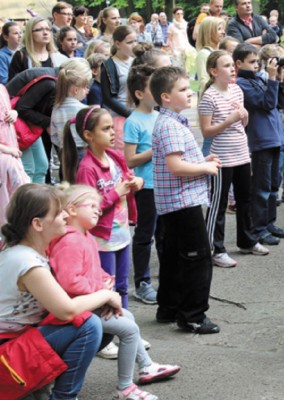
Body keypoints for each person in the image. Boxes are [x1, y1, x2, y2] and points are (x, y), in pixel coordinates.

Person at [48, 183, 180, 400]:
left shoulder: (85, 237)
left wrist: (104, 280)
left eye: (98, 207)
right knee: (127, 328)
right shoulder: (70, 241)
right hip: (74, 313)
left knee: (127, 316)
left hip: (88, 306)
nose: (97, 210)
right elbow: (69, 282)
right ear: (71, 210)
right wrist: (101, 290)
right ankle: (125, 387)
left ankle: (146, 365)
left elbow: (91, 271)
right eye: (91, 205)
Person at [0, 183, 118, 399]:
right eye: (58, 212)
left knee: (98, 319)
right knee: (89, 324)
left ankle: (37, 386)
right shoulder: (28, 263)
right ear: (37, 224)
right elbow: (66, 310)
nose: (65, 215)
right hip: (6, 355)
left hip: (17, 344)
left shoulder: (24, 251)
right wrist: (107, 294)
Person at [150, 66, 222, 334]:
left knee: (174, 257)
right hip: (182, 203)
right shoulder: (169, 126)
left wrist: (202, 160)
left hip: (177, 202)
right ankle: (192, 315)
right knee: (198, 259)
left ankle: (169, 306)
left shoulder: (174, 122)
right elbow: (175, 166)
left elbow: (180, 161)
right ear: (165, 96)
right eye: (182, 89)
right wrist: (205, 169)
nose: (189, 93)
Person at [62, 106, 143, 313]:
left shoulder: (114, 157)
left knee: (123, 286)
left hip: (122, 233)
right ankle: (107, 334)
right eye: (105, 129)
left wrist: (136, 182)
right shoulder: (87, 168)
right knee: (106, 287)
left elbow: (128, 179)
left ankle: (125, 326)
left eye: (111, 128)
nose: (113, 132)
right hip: (102, 240)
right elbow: (87, 208)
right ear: (89, 135)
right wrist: (117, 192)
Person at [199, 50, 268, 265]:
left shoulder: (237, 90)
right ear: (214, 71)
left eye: (232, 65)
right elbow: (206, 131)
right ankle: (214, 247)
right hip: (221, 157)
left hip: (241, 153)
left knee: (244, 199)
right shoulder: (209, 96)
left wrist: (244, 118)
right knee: (218, 203)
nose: (232, 69)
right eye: (227, 66)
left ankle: (247, 240)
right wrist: (230, 120)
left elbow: (241, 124)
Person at [235, 43, 284, 255]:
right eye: (252, 62)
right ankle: (258, 228)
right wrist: (272, 78)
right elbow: (267, 103)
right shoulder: (242, 84)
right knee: (262, 187)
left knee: (274, 184)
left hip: (275, 137)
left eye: (258, 61)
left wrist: (280, 79)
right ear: (239, 64)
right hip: (261, 140)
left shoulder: (259, 79)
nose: (257, 65)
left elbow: (279, 103)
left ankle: (269, 223)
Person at [123, 64, 160, 306]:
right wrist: (155, 150)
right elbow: (130, 159)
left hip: (166, 184)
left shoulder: (160, 116)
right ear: (139, 93)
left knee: (165, 233)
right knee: (145, 234)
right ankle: (142, 283)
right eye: (153, 87)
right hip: (146, 187)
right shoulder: (134, 121)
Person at [6, 67, 58, 184]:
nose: (87, 90)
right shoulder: (49, 83)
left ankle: (38, 199)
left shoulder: (53, 81)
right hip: (16, 123)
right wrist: (48, 122)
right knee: (28, 168)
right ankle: (27, 200)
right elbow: (22, 107)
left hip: (29, 125)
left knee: (41, 165)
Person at [50, 58, 91, 179]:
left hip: (65, 153)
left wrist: (62, 144)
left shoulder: (56, 108)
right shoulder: (84, 109)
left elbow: (54, 136)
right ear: (75, 89)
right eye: (85, 87)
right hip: (83, 152)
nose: (87, 91)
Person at [101, 25, 137, 150]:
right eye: (129, 42)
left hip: (140, 114)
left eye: (135, 41)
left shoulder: (137, 61)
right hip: (120, 118)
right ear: (117, 43)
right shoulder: (109, 65)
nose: (134, 45)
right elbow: (108, 98)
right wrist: (131, 114)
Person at [0, 84, 29, 226]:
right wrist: (6, 150)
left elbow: (9, 111)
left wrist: (14, 113)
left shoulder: (2, 89)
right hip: (5, 155)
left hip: (11, 152)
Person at [196, 17, 226, 93]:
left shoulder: (221, 51)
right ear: (209, 32)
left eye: (223, 29)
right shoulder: (204, 54)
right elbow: (204, 81)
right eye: (219, 29)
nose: (223, 32)